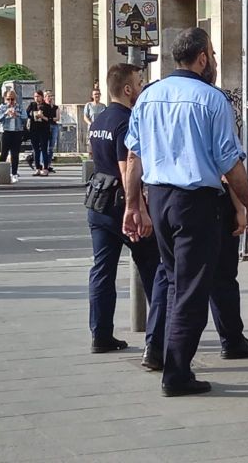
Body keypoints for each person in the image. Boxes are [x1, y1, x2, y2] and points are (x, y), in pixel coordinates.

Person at [123, 27, 248, 397]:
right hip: (196, 204)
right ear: (202, 58)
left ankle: (164, 355)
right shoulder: (212, 100)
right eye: (212, 55)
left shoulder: (148, 96)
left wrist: (133, 205)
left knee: (173, 281)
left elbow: (134, 155)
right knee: (191, 291)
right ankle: (177, 373)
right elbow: (229, 162)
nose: (213, 61)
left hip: (159, 198)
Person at [86, 64, 166, 359]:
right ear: (128, 89)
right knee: (155, 269)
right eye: (140, 83)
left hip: (98, 202)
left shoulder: (99, 120)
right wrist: (139, 210)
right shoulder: (126, 121)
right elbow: (127, 168)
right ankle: (158, 338)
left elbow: (97, 158)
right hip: (122, 205)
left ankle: (100, 335)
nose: (142, 88)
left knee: (102, 270)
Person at [0, 90, 27, 182]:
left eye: (12, 99)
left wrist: (17, 114)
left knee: (15, 154)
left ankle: (14, 173)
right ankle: (1, 174)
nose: (10, 101)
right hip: (5, 132)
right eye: (8, 99)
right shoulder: (1, 107)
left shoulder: (20, 107)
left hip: (16, 132)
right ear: (5, 99)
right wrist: (6, 113)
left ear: (15, 99)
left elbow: (25, 118)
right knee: (4, 153)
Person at [25, 91, 52, 176]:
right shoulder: (32, 105)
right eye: (35, 96)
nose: (36, 98)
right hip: (34, 130)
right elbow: (26, 113)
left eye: (38, 96)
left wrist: (42, 116)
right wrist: (31, 116)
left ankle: (45, 168)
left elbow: (50, 119)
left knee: (44, 149)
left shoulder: (47, 106)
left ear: (42, 97)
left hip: (44, 130)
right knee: (35, 150)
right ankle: (37, 168)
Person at [44, 90, 60, 173]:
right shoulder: (43, 107)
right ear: (45, 97)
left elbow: (57, 118)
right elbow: (43, 116)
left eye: (51, 96)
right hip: (45, 127)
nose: (50, 98)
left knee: (51, 147)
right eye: (48, 96)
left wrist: (48, 118)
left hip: (54, 126)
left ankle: (49, 164)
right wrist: (48, 118)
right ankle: (44, 164)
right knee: (45, 146)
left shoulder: (55, 107)